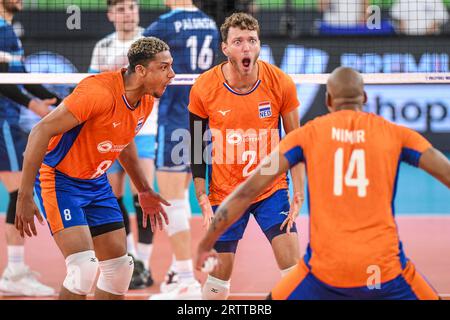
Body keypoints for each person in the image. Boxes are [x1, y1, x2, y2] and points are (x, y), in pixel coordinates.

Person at [196, 66, 450, 300]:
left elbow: (246, 191)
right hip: (387, 273)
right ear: (365, 97)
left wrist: (206, 243)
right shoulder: (397, 134)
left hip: (323, 275)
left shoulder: (307, 136)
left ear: (328, 101)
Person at [15, 37, 173, 300]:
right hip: (60, 179)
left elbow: (124, 141)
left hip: (96, 183)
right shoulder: (98, 92)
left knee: (121, 270)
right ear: (142, 71)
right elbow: (40, 131)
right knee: (82, 270)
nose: (172, 74)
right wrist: (24, 194)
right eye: (165, 67)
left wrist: (144, 189)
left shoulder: (144, 100)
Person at [189, 12, 304, 300]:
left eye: (252, 40)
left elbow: (295, 140)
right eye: (238, 41)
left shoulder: (280, 82)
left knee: (294, 269)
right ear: (225, 48)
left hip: (271, 189)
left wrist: (299, 190)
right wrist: (201, 196)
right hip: (224, 193)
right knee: (218, 279)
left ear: (259, 45)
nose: (246, 48)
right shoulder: (204, 86)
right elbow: (194, 143)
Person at [143, 0, 219, 300]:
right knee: (185, 197)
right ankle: (179, 271)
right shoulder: (211, 24)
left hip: (175, 119)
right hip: (204, 120)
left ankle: (187, 280)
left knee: (172, 200)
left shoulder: (162, 26)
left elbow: (140, 65)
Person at [89, 0, 156, 289]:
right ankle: (129, 258)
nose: (128, 13)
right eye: (121, 9)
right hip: (109, 134)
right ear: (110, 14)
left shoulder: (149, 43)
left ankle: (146, 263)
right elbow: (93, 87)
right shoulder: (103, 47)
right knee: (112, 199)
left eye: (132, 7)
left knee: (145, 196)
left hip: (143, 131)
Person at [0, 0, 62, 297]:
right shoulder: (1, 29)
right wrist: (36, 106)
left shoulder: (8, 30)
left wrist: (58, 102)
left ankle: (14, 270)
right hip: (2, 120)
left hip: (7, 120)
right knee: (16, 195)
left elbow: (21, 75)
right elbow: (3, 82)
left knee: (15, 193)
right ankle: (13, 271)